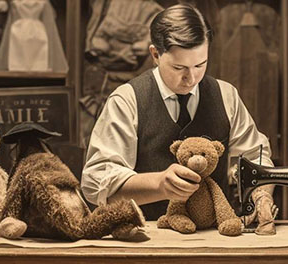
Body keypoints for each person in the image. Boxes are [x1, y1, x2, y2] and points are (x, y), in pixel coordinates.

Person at [81, 4, 275, 220]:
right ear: (155, 54)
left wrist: (261, 197)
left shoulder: (226, 95)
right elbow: (96, 182)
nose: (191, 79)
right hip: (146, 237)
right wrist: (159, 185)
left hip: (215, 238)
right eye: (178, 68)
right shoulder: (127, 100)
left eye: (200, 65)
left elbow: (256, 158)